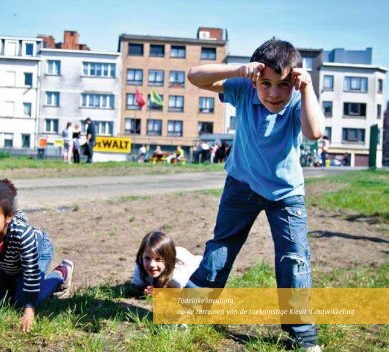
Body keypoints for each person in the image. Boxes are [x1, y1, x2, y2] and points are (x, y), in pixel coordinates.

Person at [186, 39, 325, 352]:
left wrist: (307, 89)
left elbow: (314, 133)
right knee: (221, 248)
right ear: (254, 80)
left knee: (294, 258)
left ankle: (301, 332)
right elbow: (195, 75)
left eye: (283, 85)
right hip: (242, 184)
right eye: (266, 84)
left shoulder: (299, 100)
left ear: (295, 81)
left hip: (286, 194)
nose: (274, 94)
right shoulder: (243, 89)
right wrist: (239, 70)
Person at [0, 178, 75, 332]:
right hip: (7, 262)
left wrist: (29, 312)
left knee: (22, 302)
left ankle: (61, 274)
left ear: (8, 217)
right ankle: (16, 283)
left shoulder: (22, 234)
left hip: (38, 253)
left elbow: (30, 273)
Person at [132, 231, 202, 296]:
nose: (151, 264)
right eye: (147, 258)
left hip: (201, 266)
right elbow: (138, 285)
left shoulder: (177, 277)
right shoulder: (140, 264)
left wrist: (161, 291)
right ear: (142, 255)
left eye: (158, 259)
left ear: (168, 260)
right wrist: (146, 289)